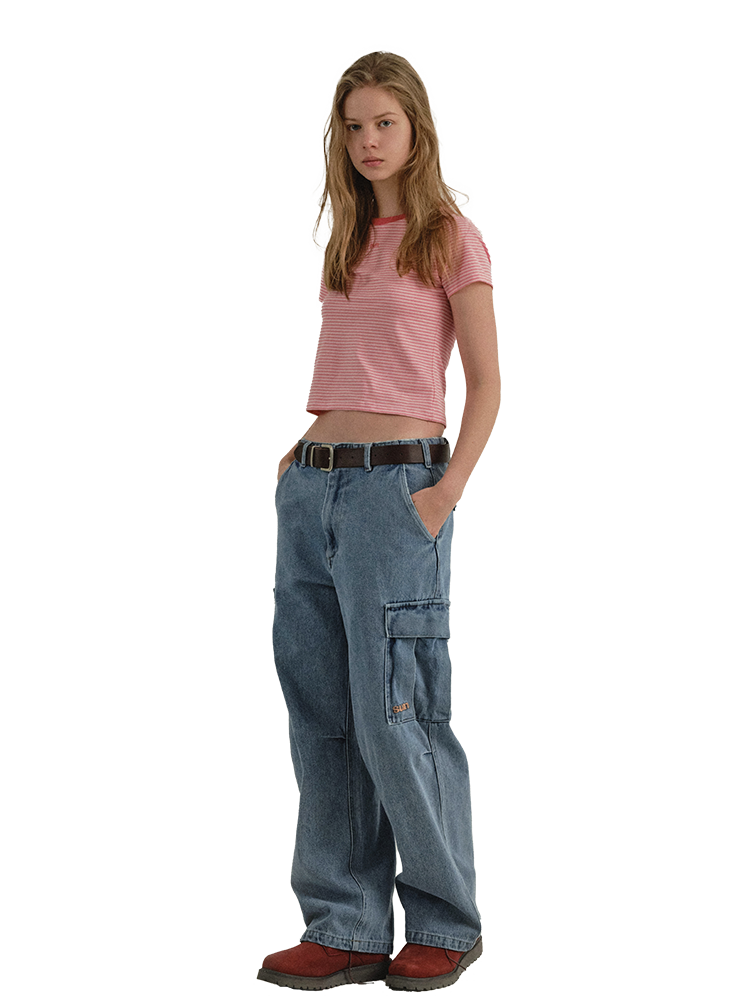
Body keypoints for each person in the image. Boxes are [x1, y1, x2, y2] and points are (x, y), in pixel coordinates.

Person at [258, 50, 500, 995]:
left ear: (416, 129)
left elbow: (486, 384)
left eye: (383, 123)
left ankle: (444, 923)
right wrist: (298, 456)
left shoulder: (450, 237)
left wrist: (445, 493)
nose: (367, 141)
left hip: (397, 492)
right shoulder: (347, 237)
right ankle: (346, 925)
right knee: (323, 716)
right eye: (353, 126)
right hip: (313, 490)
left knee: (399, 710)